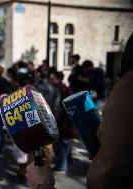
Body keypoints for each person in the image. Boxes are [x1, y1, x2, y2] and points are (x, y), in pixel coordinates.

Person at [26, 33, 133, 189]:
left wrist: (43, 185)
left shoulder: (127, 89)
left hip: (62, 124)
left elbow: (112, 174)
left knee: (63, 145)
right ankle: (65, 163)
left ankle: (63, 164)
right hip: (64, 123)